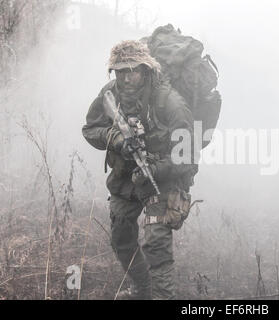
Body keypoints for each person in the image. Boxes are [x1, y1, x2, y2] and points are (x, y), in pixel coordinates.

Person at [82, 40, 197, 300]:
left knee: (156, 244)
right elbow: (90, 129)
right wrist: (116, 139)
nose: (125, 77)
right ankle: (142, 289)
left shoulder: (170, 102)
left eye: (132, 70)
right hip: (125, 177)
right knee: (121, 237)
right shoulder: (109, 93)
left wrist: (155, 168)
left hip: (163, 179)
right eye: (119, 71)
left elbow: (188, 155)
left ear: (145, 69)